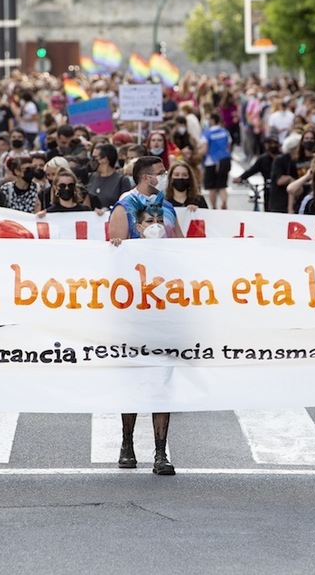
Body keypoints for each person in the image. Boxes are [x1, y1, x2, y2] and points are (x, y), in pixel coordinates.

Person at [109, 200, 177, 476]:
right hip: (133, 326)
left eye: (159, 221)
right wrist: (115, 249)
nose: (155, 226)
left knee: (161, 387)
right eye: (149, 222)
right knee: (133, 386)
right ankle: (127, 444)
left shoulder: (175, 255)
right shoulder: (124, 253)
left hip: (163, 325)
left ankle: (161, 453)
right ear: (138, 227)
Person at [200, 112, 233, 210]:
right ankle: (224, 202)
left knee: (212, 187)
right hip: (224, 160)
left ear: (212, 120)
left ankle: (214, 207)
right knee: (222, 185)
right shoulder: (224, 131)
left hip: (211, 162)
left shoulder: (206, 133)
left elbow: (204, 149)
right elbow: (229, 146)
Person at [86, 143, 131, 212]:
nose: (92, 160)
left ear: (105, 159)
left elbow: (126, 205)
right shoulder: (90, 177)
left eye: (94, 157)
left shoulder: (121, 180)